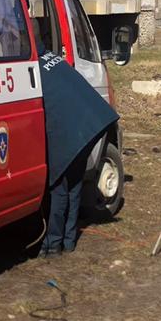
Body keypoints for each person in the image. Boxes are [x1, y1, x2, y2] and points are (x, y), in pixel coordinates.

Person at [37, 50, 119, 256]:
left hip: (70, 134)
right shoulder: (54, 59)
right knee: (73, 188)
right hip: (87, 127)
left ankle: (53, 244)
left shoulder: (34, 67)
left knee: (59, 190)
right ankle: (69, 240)